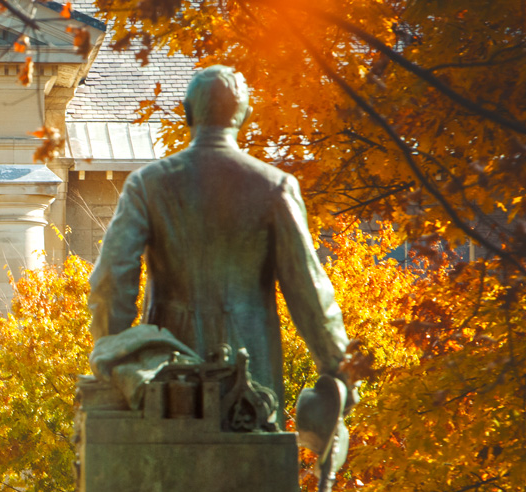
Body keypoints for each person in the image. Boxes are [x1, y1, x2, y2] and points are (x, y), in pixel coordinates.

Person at [87, 65, 351, 408]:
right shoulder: (275, 187)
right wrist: (339, 370)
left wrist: (115, 355)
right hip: (253, 379)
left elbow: (111, 279)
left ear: (186, 113)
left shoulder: (148, 185)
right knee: (255, 461)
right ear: (245, 116)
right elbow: (310, 293)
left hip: (169, 380)